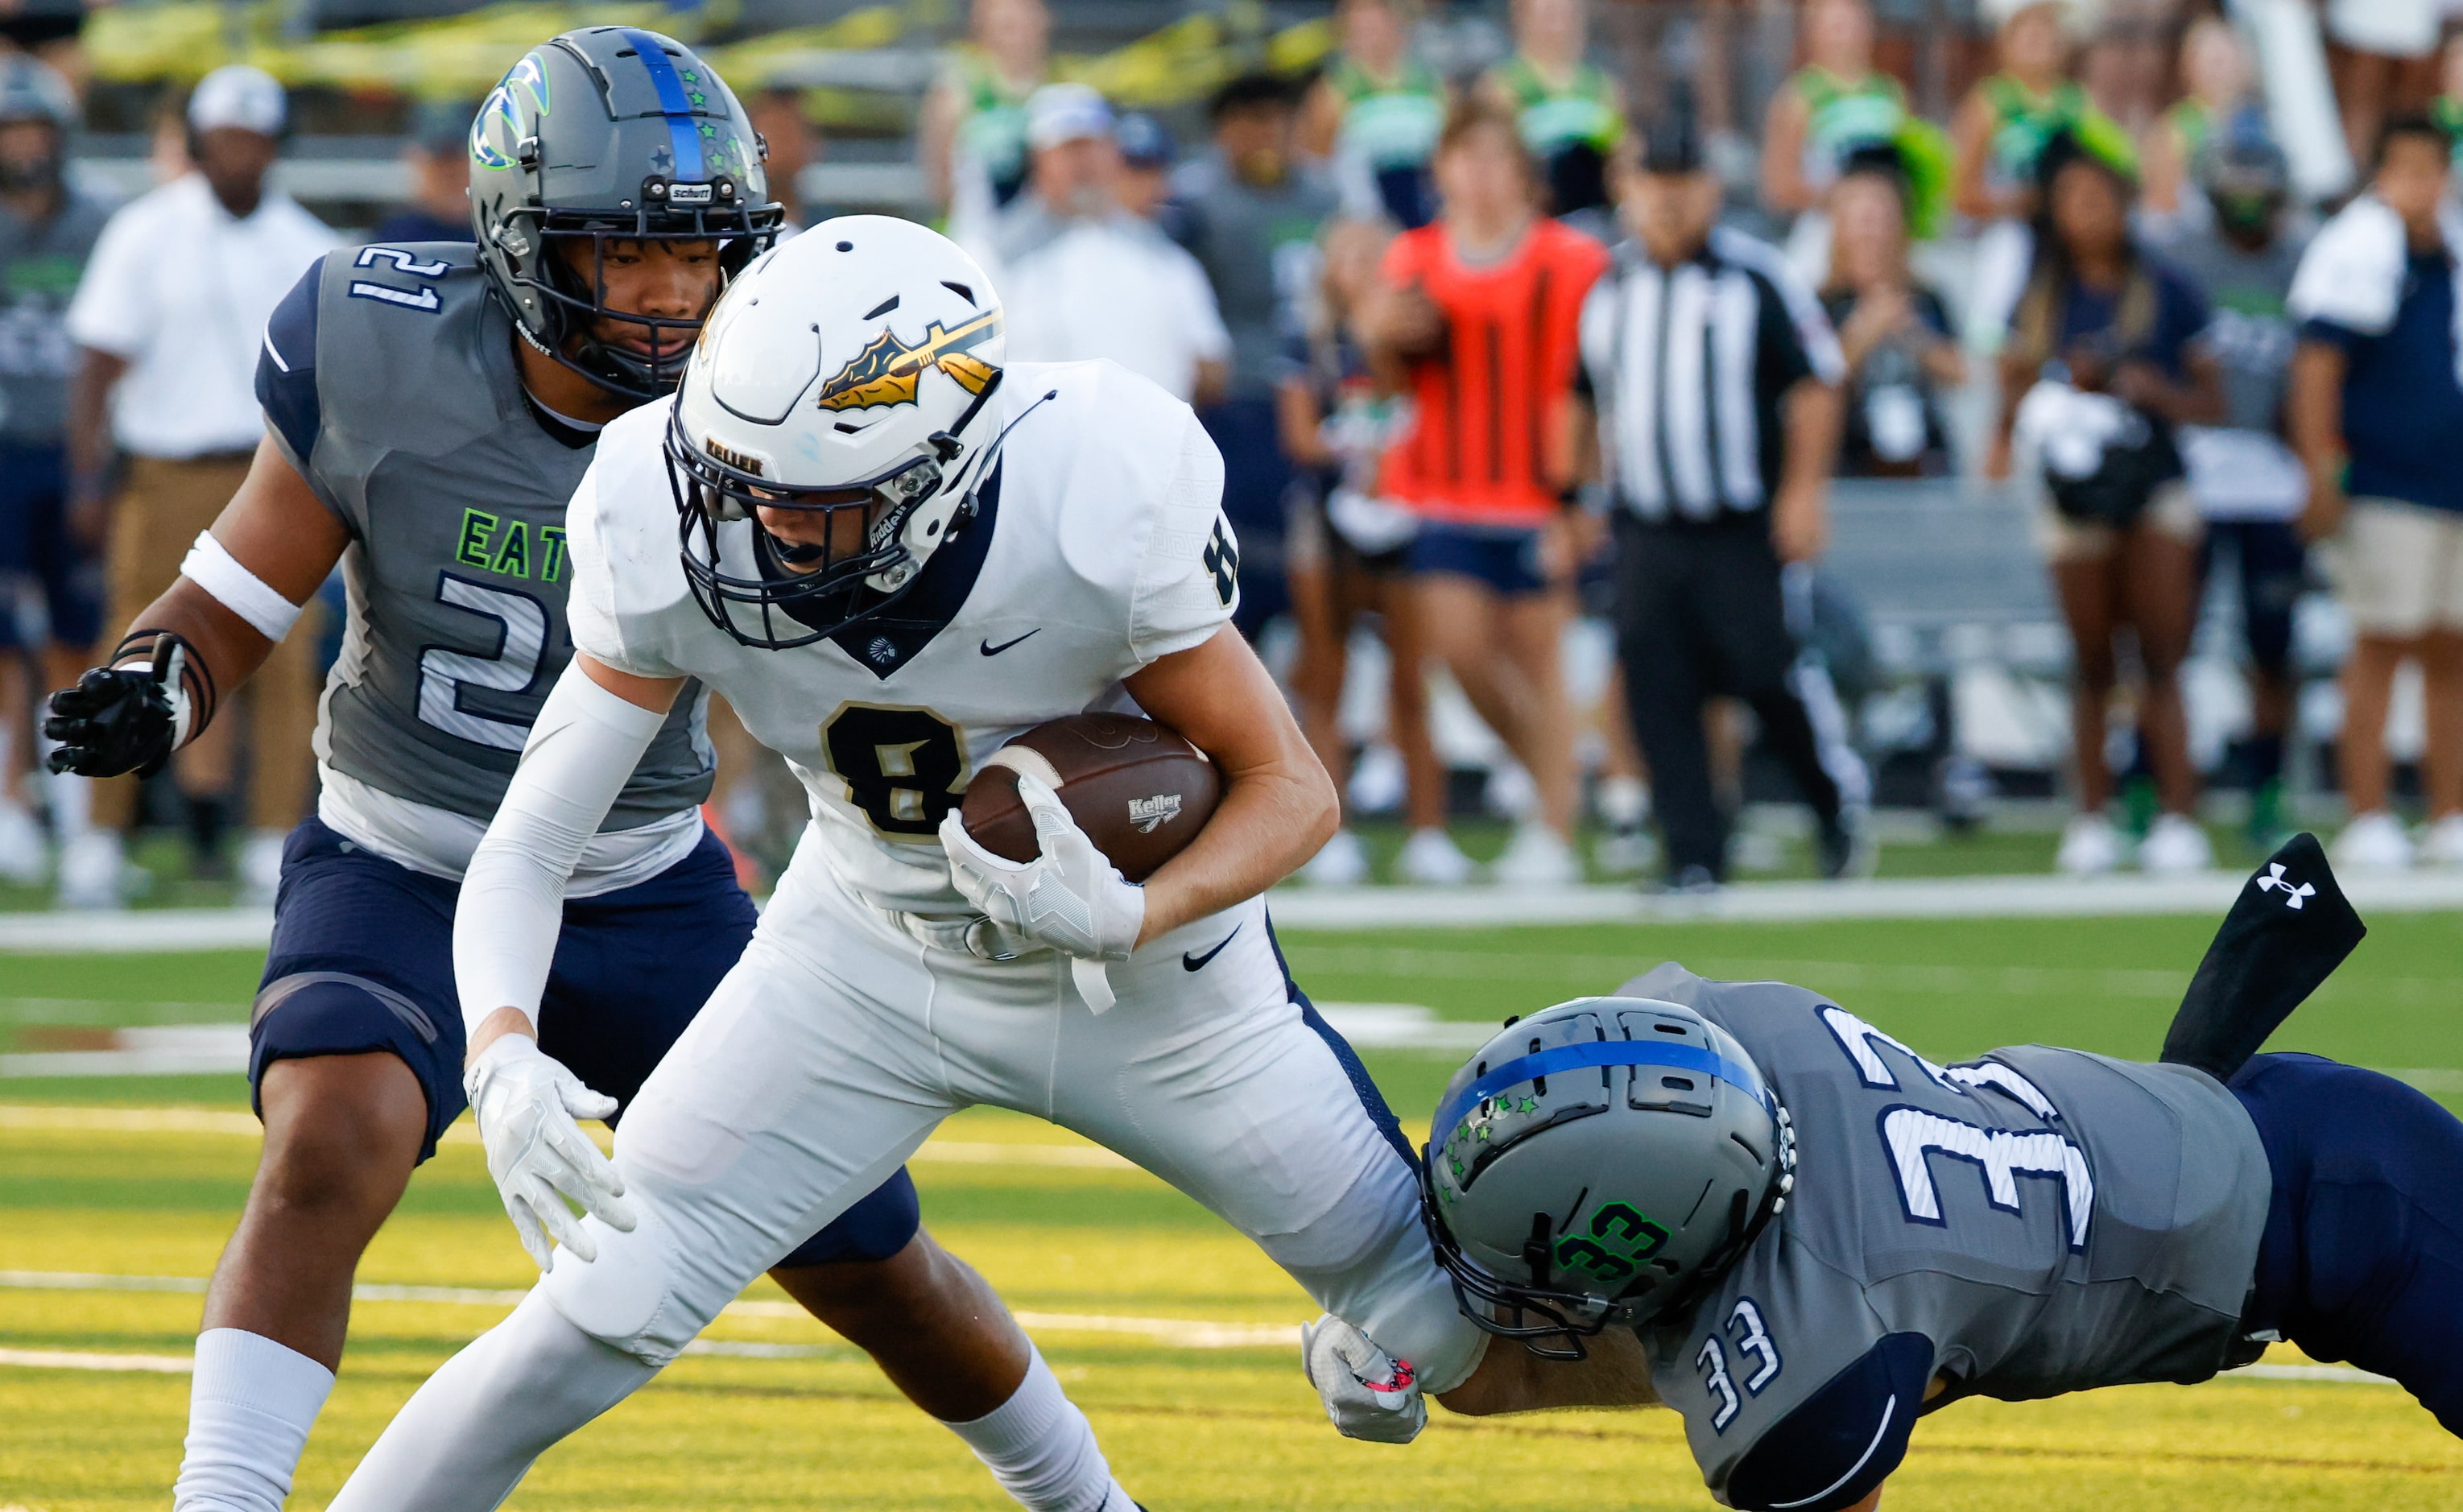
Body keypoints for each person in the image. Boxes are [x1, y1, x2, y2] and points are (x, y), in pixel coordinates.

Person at [42, 37, 1128, 1512]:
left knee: (864, 1252)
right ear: (520, 236)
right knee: (328, 1137)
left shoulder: (768, 395)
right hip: (401, 851)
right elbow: (239, 589)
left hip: (637, 877)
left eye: (700, 257)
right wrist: (159, 678)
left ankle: (1085, 1497)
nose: (676, 297)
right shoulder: (378, 348)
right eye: (627, 255)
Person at [312, 214, 1487, 1508]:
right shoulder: (663, 500)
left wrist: (1137, 907)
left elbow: (1290, 789)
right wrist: (502, 1052)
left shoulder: (1092, 486)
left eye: (806, 504)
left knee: (1449, 1336)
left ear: (943, 470)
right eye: (736, 480)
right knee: (592, 1309)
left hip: (1153, 991)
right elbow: (532, 836)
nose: (755, 528)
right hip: (865, 953)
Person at [1319, 837, 2463, 1496]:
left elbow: (1697, 1345)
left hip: (2357, 1213)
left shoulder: (1835, 1326)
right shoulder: (1732, 1037)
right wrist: (1448, 1357)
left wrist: (1469, 1364)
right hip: (2239, 1125)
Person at [59, 64, 336, 907]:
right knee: (134, 644)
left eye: (252, 139)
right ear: (197, 142)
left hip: (276, 473)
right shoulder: (146, 231)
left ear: (277, 146)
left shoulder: (309, 243)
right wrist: (85, 475)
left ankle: (267, 837)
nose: (238, 154)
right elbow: (98, 363)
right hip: (165, 468)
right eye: (223, 138)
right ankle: (98, 836)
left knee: (286, 661)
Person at [1575, 117, 1867, 890]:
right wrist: (1569, 498)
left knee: (1763, 670)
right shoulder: (1607, 287)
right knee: (1654, 680)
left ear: (1711, 190)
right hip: (1645, 521)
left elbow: (1815, 383)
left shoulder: (1756, 277)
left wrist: (1804, 492)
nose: (1667, 201)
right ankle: (1693, 853)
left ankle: (1829, 803)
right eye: (1652, 182)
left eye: (1683, 183)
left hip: (1738, 520)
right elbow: (1580, 398)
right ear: (1626, 190)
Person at [1358, 101, 1607, 886]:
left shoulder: (1569, 260)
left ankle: (1554, 831)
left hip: (1539, 492)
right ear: (1441, 170)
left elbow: (1592, 385)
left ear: (1524, 173)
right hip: (1442, 490)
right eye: (1465, 157)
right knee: (1462, 656)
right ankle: (1547, 788)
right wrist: (1377, 333)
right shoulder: (1413, 258)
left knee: (1539, 663)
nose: (1480, 175)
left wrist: (1582, 496)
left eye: (1497, 158)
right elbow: (1387, 378)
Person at [1990, 130, 2223, 878]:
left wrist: (2147, 391)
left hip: (2151, 483)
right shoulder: (2038, 294)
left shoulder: (2167, 288)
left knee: (2160, 651)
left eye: (2098, 198)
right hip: (2075, 491)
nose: (2085, 213)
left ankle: (2176, 816)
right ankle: (2091, 814)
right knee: (2090, 657)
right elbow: (2009, 394)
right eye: (2070, 200)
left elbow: (2212, 400)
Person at [2289, 115, 2463, 872]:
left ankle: (2448, 811)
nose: (2423, 184)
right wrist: (2321, 470)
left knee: (2450, 648)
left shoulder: (2446, 255)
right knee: (2380, 641)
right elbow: (2315, 367)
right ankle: (2366, 812)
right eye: (2408, 168)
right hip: (2385, 479)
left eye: (2434, 168)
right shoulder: (2354, 252)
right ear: (2381, 174)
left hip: (2450, 480)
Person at [1279, 217, 1470, 886]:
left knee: (1412, 680)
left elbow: (1440, 425)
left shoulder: (1425, 343)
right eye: (1347, 255)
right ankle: (1332, 834)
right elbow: (1301, 438)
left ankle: (1430, 832)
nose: (1361, 267)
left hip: (1406, 525)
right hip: (1328, 522)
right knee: (1326, 679)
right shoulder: (1310, 345)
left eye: (1373, 254)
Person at [2167, 124, 2309, 854]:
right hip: (2192, 466)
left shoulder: (2301, 260)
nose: (2249, 201)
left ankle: (2265, 787)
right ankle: (2154, 789)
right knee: (2167, 640)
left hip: (2272, 471)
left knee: (2270, 645)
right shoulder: (2179, 258)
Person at [1171, 72, 1341, 640]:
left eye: (1275, 119)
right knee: (1239, 538)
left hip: (1318, 387)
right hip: (1239, 394)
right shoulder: (1195, 201)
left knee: (1318, 550)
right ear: (1225, 131)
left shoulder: (1327, 196)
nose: (1265, 134)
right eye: (1249, 122)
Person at [0, 54, 109, 886]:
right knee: (4, 641)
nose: (25, 146)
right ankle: (10, 807)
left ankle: (76, 814)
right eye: (13, 131)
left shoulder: (101, 224)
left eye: (36, 129)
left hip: (72, 453)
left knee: (78, 634)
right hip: (3, 449)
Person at [1002, 112, 1232, 406]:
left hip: (1150, 438)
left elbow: (1211, 368)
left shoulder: (1166, 259)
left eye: (1094, 151)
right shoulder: (1000, 255)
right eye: (1070, 153)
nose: (1084, 166)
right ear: (1039, 161)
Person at [1949, 0, 2123, 349]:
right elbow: (1960, 194)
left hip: (2066, 231)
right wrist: (2021, 202)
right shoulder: (1989, 104)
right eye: (2029, 37)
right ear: (2006, 44)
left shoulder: (2079, 104)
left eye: (2047, 36)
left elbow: (2111, 172)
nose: (2039, 46)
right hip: (2008, 230)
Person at [1820, 150, 1965, 478]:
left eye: (1881, 217)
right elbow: (1816, 385)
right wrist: (1862, 333)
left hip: (1925, 458)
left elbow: (1960, 373)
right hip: (1849, 461)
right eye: (1862, 219)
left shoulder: (1926, 297)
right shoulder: (1823, 302)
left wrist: (1912, 332)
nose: (1872, 232)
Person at [1478, 0, 1626, 234]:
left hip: (1595, 215)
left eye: (1566, 14)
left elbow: (1622, 156)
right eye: (1547, 15)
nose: (1557, 24)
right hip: (1534, 219)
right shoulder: (1504, 87)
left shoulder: (1601, 86)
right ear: (1522, 19)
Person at [1300, 0, 1448, 230]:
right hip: (1368, 217)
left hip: (1429, 210)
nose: (1373, 34)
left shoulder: (1432, 85)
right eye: (1361, 26)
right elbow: (1318, 168)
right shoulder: (1332, 92)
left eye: (1379, 22)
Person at [923, 0, 1054, 255]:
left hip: (1041, 235)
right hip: (976, 233)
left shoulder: (1057, 86)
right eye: (1006, 22)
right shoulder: (959, 87)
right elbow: (940, 178)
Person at [1760, 0, 1908, 221]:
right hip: (1825, 226)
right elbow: (1779, 187)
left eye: (1855, 24)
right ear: (1814, 32)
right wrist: (1841, 198)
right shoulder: (1799, 97)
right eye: (1836, 27)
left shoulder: (1890, 93)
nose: (1847, 36)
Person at [2138, 14, 2254, 226]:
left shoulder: (2259, 120)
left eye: (2225, 59)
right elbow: (2160, 206)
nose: (2219, 71)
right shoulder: (2174, 129)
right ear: (2188, 67)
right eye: (2212, 61)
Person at [369, 101, 476, 245]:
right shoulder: (393, 239)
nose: (450, 172)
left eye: (458, 159)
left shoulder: (500, 234)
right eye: (438, 162)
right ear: (414, 159)